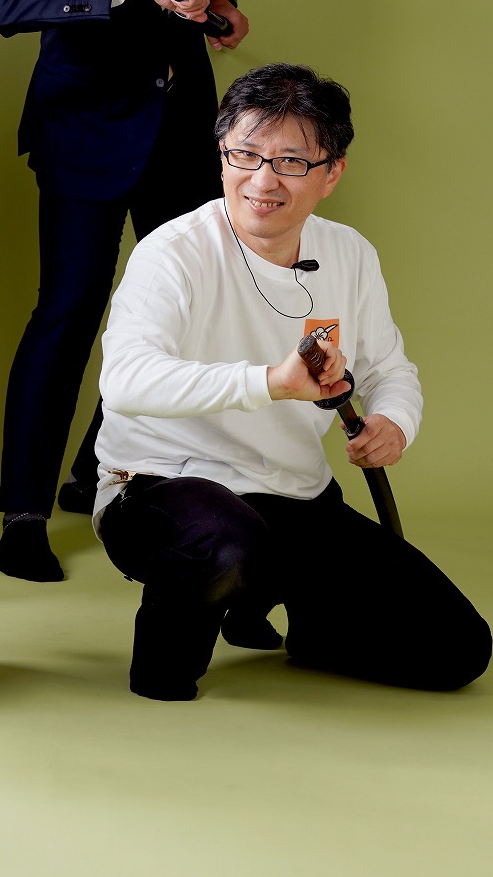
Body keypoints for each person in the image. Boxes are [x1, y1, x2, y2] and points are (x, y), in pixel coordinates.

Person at [94, 63, 492, 701]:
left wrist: (395, 421)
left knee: (457, 650)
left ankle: (305, 623)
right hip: (162, 486)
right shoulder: (173, 252)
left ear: (331, 173)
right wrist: (270, 382)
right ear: (221, 154)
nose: (262, 180)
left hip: (294, 496)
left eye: (291, 162)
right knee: (226, 545)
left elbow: (389, 370)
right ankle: (171, 654)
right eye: (245, 155)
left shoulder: (350, 254)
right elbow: (126, 382)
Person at [0, 0, 250, 582]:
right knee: (70, 310)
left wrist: (221, 4)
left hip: (183, 123)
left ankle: (97, 464)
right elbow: (3, 0)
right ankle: (23, 513)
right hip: (85, 129)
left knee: (183, 307)